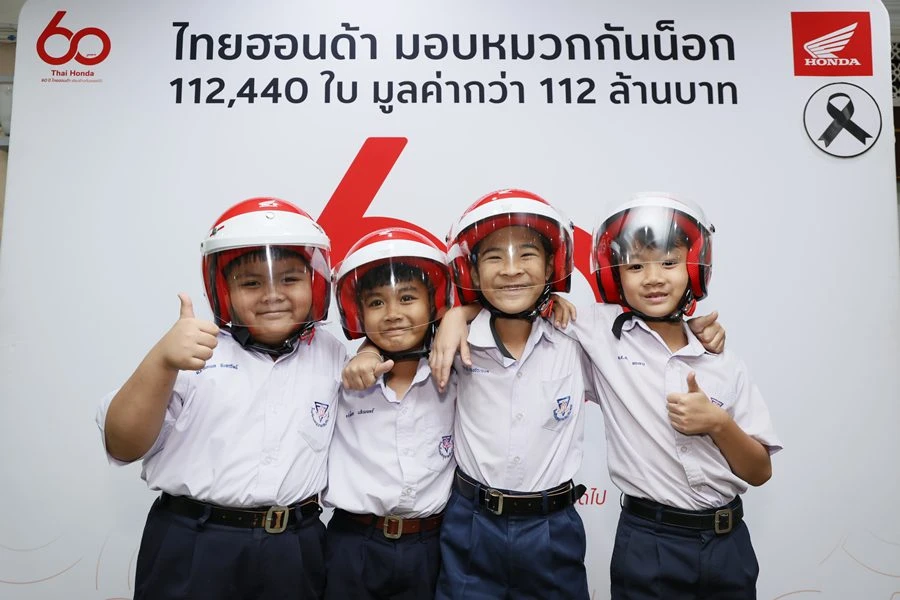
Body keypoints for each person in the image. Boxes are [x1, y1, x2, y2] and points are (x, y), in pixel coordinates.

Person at [96, 197, 345, 600]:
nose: (272, 295)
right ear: (223, 290)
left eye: (289, 279)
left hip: (295, 546)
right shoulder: (192, 349)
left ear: (314, 284)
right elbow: (122, 445)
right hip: (195, 543)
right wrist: (161, 360)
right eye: (251, 283)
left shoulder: (331, 352)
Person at [582, 193, 781, 599]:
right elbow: (518, 305)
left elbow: (760, 472)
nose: (653, 277)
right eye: (635, 266)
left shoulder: (723, 361)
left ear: (694, 267)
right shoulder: (599, 334)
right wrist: (458, 317)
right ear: (615, 274)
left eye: (669, 263)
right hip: (648, 543)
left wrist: (718, 424)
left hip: (728, 546)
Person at [322, 227, 457, 600]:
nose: (393, 314)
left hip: (431, 543)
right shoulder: (338, 373)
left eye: (408, 297)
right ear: (358, 312)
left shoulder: (457, 371)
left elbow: (499, 312)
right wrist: (367, 350)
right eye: (376, 302)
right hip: (353, 543)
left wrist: (458, 315)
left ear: (434, 303)